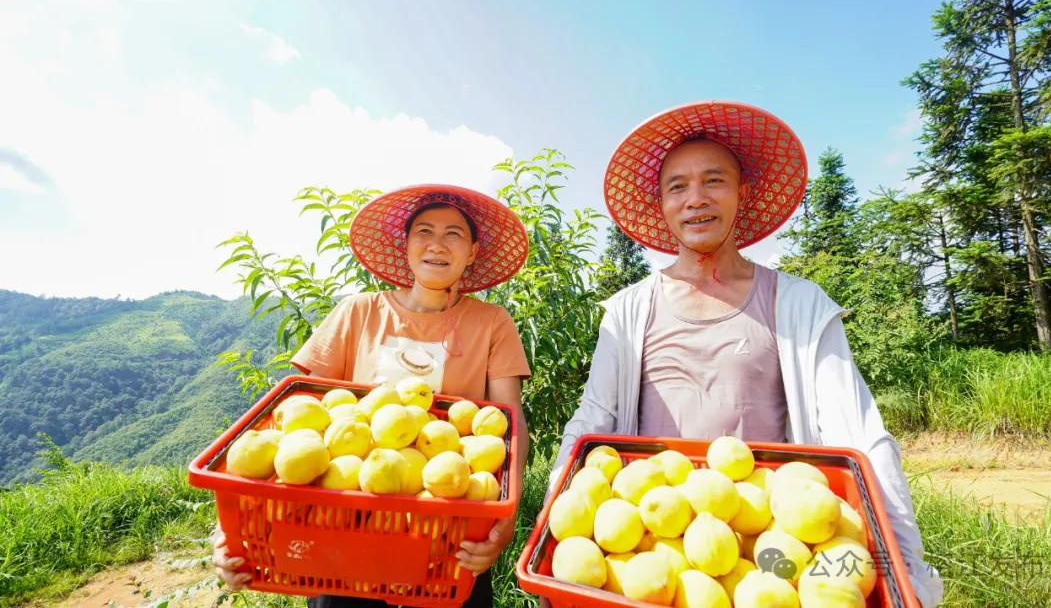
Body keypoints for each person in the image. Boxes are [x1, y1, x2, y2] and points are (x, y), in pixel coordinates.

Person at [548, 101, 944, 607]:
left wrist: (905, 564)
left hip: (767, 540)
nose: (696, 199)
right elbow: (591, 421)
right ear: (662, 206)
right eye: (677, 186)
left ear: (742, 193)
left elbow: (860, 433)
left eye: (714, 180)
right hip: (653, 542)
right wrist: (554, 522)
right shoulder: (628, 311)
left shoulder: (796, 304)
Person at [212, 184, 533, 608]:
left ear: (473, 251)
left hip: (446, 534)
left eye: (454, 234)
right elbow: (295, 423)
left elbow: (509, 426)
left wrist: (504, 517)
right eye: (424, 231)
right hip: (343, 530)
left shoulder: (492, 323)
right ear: (406, 244)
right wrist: (235, 526)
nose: (437, 244)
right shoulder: (357, 312)